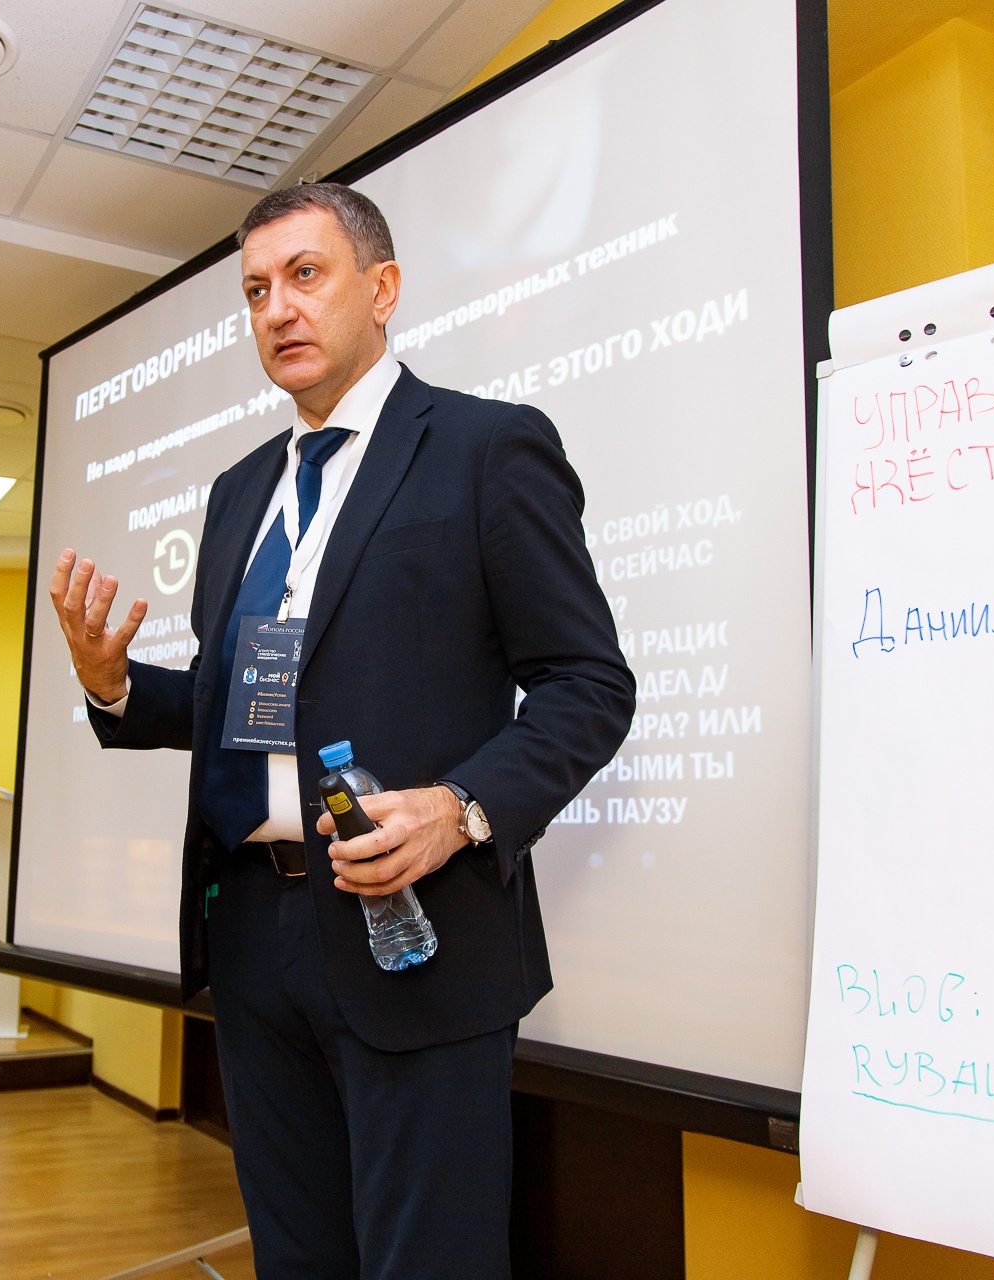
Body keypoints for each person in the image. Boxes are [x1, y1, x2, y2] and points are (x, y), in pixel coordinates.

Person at [46, 183, 633, 1280]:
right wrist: (116, 685)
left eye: (306, 275)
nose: (277, 309)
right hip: (253, 937)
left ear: (383, 287)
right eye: (255, 291)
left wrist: (460, 808)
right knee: (296, 1257)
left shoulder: (484, 446)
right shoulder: (239, 494)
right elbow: (246, 704)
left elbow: (588, 683)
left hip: (416, 931)